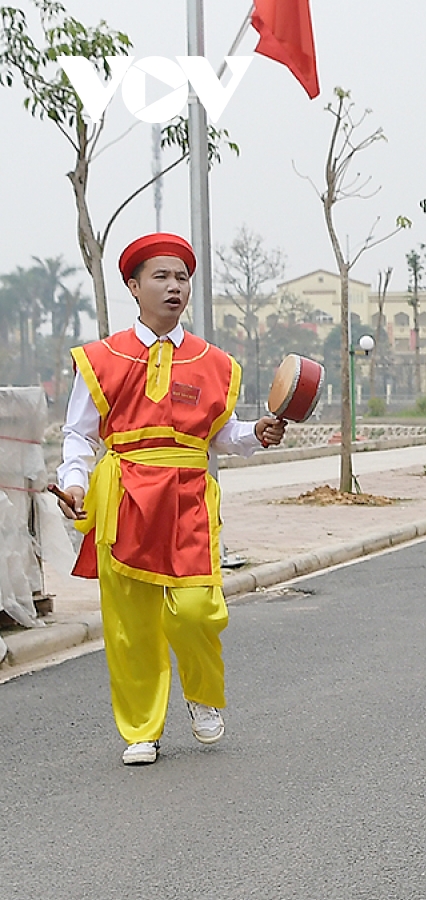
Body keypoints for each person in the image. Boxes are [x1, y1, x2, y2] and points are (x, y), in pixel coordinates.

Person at [55, 232, 285, 766]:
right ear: (134, 287)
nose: (174, 286)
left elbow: (222, 435)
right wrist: (73, 481)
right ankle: (141, 728)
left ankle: (202, 696)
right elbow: (79, 434)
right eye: (161, 276)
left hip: (188, 496)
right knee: (129, 620)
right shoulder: (101, 358)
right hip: (123, 496)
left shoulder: (213, 363)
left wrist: (259, 433)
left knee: (198, 609)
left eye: (181, 277)